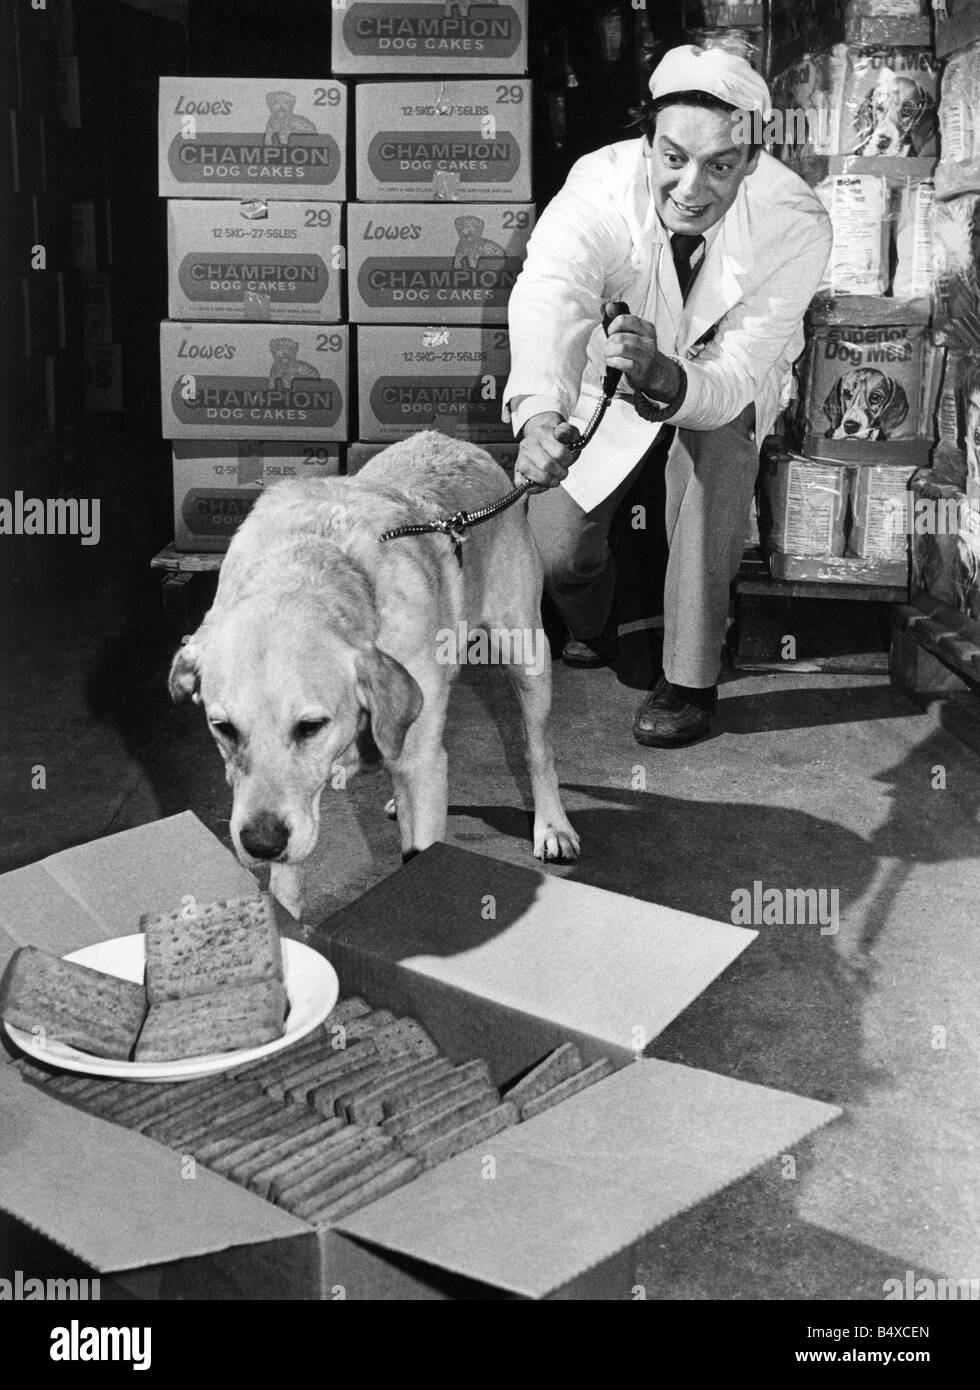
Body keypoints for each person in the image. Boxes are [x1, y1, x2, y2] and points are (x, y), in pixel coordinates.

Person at [505, 44, 833, 746]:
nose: (690, 187)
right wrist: (537, 411)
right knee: (561, 552)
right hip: (609, 377)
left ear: (751, 161)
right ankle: (593, 622)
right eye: (673, 157)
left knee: (718, 452)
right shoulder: (599, 181)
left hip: (717, 386)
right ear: (647, 143)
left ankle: (690, 677)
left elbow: (740, 369)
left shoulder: (795, 221)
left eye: (720, 165)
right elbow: (551, 290)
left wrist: (669, 378)